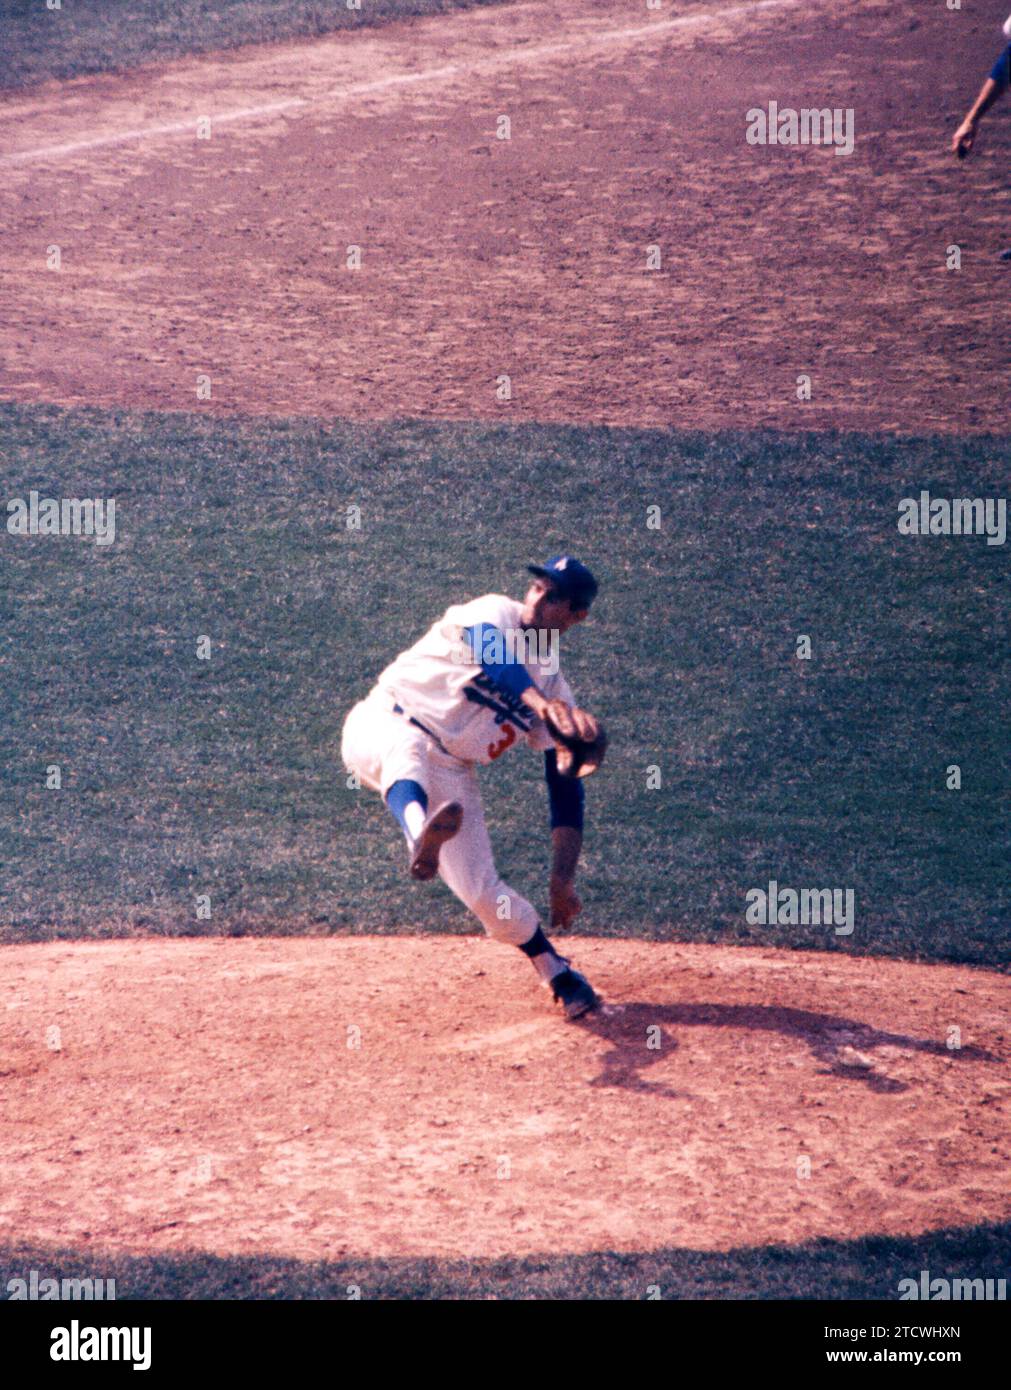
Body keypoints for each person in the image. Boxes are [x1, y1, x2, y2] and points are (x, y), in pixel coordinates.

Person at [340, 556, 606, 1019]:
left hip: (451, 772)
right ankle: (420, 832)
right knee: (406, 749)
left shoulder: (556, 691)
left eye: (555, 595)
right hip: (383, 721)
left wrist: (562, 879)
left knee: (484, 892)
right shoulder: (492, 614)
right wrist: (539, 707)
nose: (539, 597)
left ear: (576, 615)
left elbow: (564, 787)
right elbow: (491, 653)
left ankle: (554, 969)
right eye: (539, 585)